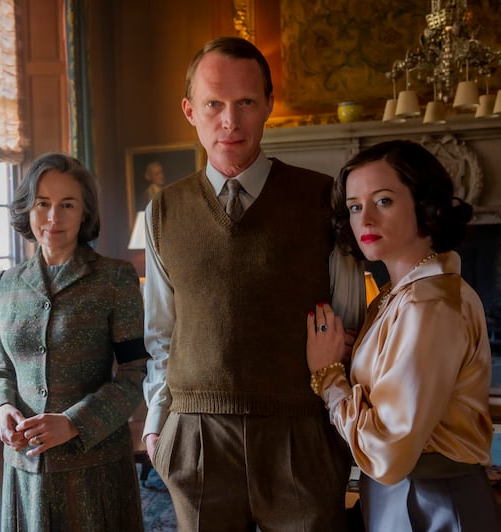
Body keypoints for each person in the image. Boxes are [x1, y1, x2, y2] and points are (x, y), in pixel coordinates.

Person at [142, 36, 365, 530]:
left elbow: (350, 325)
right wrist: (159, 425)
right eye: (214, 104)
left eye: (245, 102)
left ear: (268, 104)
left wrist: (342, 425)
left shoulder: (323, 198)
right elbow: (161, 333)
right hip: (196, 436)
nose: (230, 120)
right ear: (190, 110)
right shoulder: (163, 211)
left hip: (303, 433)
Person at [306, 140, 501, 531]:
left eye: (383, 201)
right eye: (355, 206)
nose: (365, 219)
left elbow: (388, 450)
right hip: (406, 496)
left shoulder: (426, 304)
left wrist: (328, 376)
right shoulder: (397, 296)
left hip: (431, 502)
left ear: (425, 206)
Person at [0, 153, 148, 532]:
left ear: (85, 212)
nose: (53, 217)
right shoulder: (6, 283)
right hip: (25, 468)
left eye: (67, 205)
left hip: (94, 468)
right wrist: (2, 408)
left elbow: (135, 373)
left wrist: (74, 423)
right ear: (28, 208)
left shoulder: (115, 279)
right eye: (43, 204)